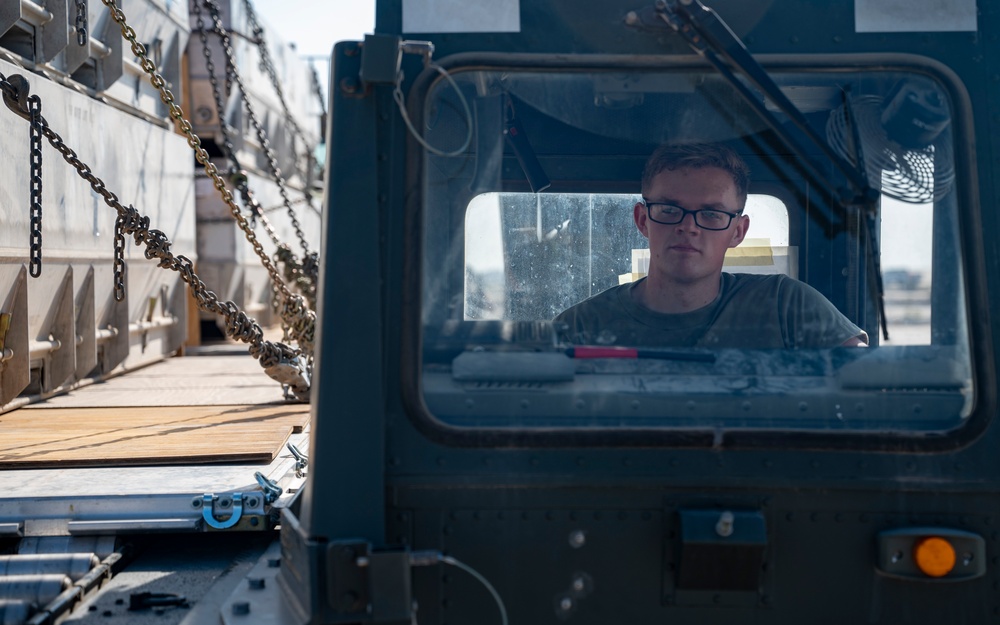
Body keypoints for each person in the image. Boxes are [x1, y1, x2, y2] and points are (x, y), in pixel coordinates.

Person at [554, 142, 868, 348]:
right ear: (642, 220)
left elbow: (864, 397)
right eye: (669, 210)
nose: (687, 227)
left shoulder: (788, 307)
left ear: (738, 231)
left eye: (711, 213)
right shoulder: (579, 327)